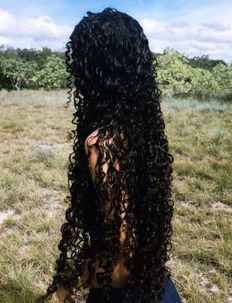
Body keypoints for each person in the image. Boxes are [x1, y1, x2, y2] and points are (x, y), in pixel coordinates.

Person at [37, 7, 181, 303]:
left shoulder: (103, 144)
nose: (75, 68)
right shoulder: (143, 129)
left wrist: (76, 275)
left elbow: (122, 259)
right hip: (156, 283)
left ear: (96, 71)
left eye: (80, 59)